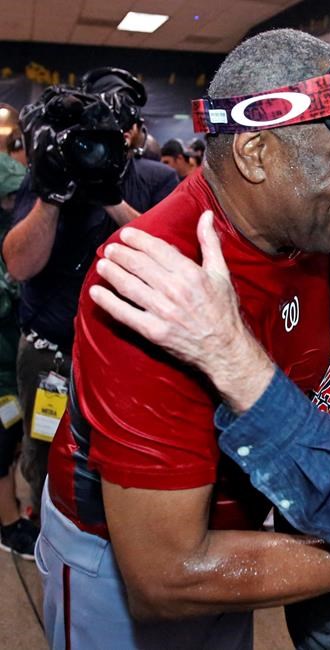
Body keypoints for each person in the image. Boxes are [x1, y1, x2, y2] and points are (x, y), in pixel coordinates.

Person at [37, 31, 330, 650]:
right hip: (134, 573)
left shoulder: (299, 238)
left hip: (244, 555)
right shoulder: (156, 285)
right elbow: (166, 579)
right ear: (256, 154)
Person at [0, 68, 178, 517]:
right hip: (50, 355)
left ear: (136, 132)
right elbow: (20, 264)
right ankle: (45, 535)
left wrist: (110, 196)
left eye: (121, 126)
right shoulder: (49, 174)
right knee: (44, 456)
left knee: (124, 457)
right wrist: (52, 199)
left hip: (130, 353)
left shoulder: (155, 179)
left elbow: (171, 258)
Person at [0, 153, 38, 559]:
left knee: (11, 440)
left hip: (12, 355)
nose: (15, 204)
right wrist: (15, 280)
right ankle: (8, 525)